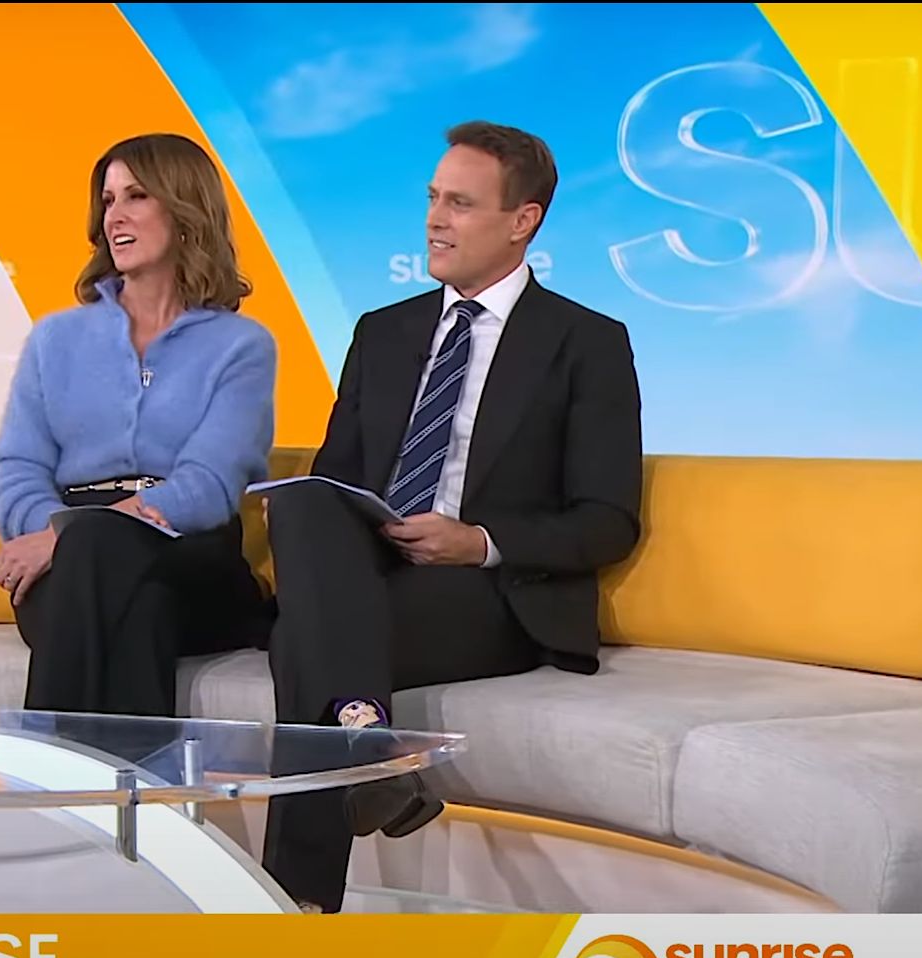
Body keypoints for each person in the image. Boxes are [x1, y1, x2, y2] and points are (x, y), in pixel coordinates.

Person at [261, 122, 643, 913]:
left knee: (307, 641)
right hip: (372, 572)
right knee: (303, 501)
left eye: (460, 204)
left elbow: (608, 519)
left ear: (522, 220)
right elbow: (338, 478)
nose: (435, 220)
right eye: (434, 199)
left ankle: (295, 911)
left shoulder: (586, 342)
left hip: (489, 594)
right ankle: (366, 748)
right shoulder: (383, 331)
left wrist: (479, 543)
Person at [0, 133, 276, 731]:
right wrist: (59, 532)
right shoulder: (55, 339)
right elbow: (18, 467)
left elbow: (208, 485)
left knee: (105, 560)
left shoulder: (240, 346)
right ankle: (139, 790)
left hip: (188, 551)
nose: (114, 216)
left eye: (136, 196)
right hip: (72, 558)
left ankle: (52, 781)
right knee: (136, 604)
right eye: (108, 200)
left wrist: (69, 538)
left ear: (185, 207)